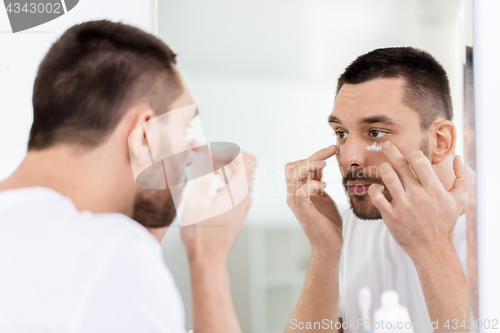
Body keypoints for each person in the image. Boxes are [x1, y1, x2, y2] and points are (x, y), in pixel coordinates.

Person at [0, 20, 255, 333]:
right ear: (146, 136)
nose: (191, 151)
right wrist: (208, 263)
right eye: (184, 127)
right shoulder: (111, 257)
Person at [285, 47, 467, 333]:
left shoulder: (486, 234)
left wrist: (432, 247)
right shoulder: (354, 226)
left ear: (440, 141)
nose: (347, 157)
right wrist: (325, 251)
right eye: (341, 133)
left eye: (375, 132)